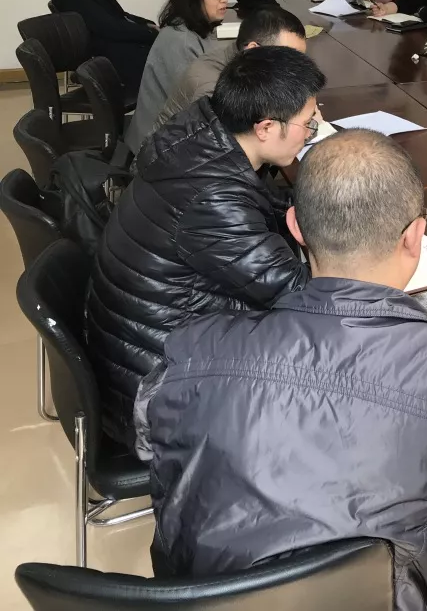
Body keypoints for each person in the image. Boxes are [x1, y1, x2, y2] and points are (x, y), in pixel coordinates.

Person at [134, 129, 427, 611]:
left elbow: (150, 439)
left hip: (206, 601)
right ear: (415, 236)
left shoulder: (196, 345)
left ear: (295, 227)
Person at [86, 46, 323, 451]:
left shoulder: (199, 130)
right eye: (308, 122)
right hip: (155, 389)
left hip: (140, 340)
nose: (312, 130)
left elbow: (258, 207)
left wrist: (317, 208)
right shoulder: (211, 199)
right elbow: (300, 296)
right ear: (265, 127)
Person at [127, 0, 229, 152]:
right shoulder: (181, 42)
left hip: (177, 134)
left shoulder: (194, 29)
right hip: (158, 147)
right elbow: (202, 106)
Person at [151, 6, 307, 134]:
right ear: (253, 50)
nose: (296, 70)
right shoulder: (214, 90)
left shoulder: (241, 60)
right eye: (288, 59)